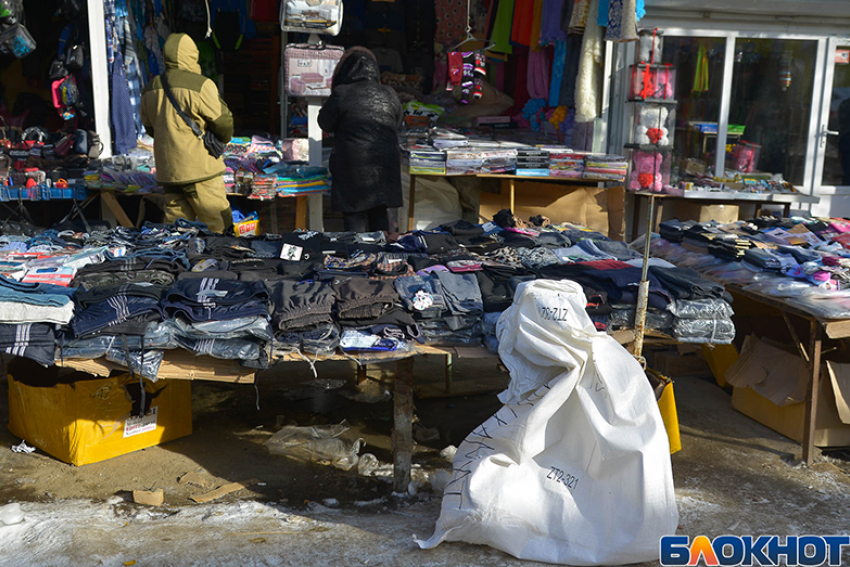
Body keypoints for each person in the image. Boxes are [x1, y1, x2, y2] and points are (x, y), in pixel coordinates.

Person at [140, 33, 234, 233]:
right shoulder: (201, 84)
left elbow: (150, 128)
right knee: (219, 225)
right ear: (192, 55)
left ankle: (179, 264)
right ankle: (219, 262)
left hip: (169, 171)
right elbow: (223, 122)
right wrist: (221, 140)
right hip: (201, 170)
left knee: (176, 230)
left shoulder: (151, 87)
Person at [318, 47, 403, 233]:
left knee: (353, 213)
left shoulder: (342, 93)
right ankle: (379, 256)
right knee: (380, 211)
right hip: (385, 162)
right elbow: (397, 122)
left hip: (352, 162)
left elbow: (324, 122)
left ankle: (357, 257)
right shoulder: (389, 93)